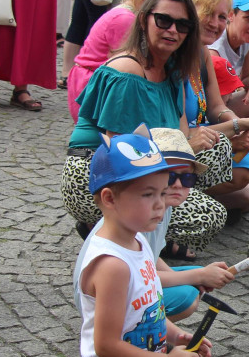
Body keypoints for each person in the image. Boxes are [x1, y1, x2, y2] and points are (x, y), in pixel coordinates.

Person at [38, 128, 212, 357]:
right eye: (148, 195)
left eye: (162, 193)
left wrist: (177, 335)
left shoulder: (138, 240)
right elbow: (105, 346)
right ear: (109, 199)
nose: (160, 204)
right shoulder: (112, 265)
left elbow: (149, 308)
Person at [62, 0, 232, 253]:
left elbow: (181, 132)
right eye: (164, 20)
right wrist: (186, 150)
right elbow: (120, 154)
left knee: (220, 146)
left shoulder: (173, 69)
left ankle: (153, 222)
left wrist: (235, 129)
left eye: (183, 25)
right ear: (144, 20)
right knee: (210, 216)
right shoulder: (129, 71)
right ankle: (108, 223)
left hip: (148, 162)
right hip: (96, 174)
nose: (173, 30)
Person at [71, 127, 234, 321]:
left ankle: (154, 331)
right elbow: (142, 276)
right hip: (105, 307)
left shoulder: (158, 208)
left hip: (125, 284)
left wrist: (197, 275)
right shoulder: (138, 218)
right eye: (170, 177)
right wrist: (198, 276)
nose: (178, 185)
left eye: (187, 178)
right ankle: (142, 333)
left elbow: (150, 257)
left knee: (192, 277)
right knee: (187, 295)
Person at [182, 0, 249, 215]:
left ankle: (191, 197)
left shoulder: (202, 51)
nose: (216, 23)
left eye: (221, 17)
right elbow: (179, 133)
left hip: (198, 133)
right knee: (241, 189)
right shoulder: (204, 54)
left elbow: (217, 106)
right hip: (177, 144)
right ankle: (178, 199)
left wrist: (242, 126)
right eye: (209, 14)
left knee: (247, 192)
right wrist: (237, 130)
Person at [66, 0, 177, 121]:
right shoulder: (125, 19)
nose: (163, 2)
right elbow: (130, 65)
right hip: (92, 87)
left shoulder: (137, 15)